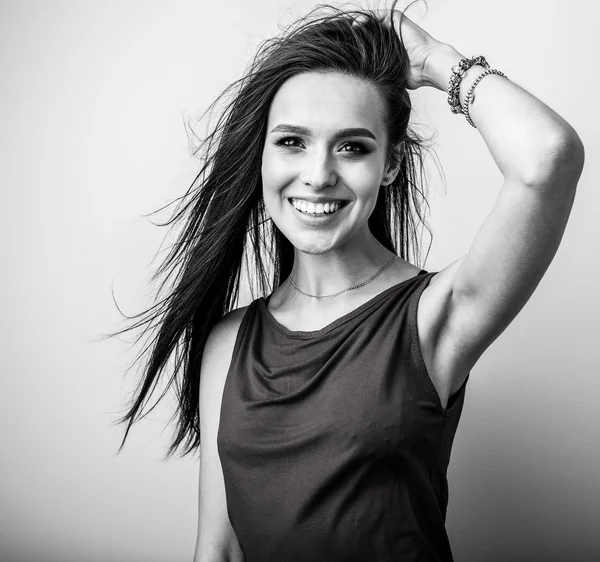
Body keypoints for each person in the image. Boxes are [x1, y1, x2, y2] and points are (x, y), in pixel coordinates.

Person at [108, 1, 584, 560]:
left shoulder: (432, 316)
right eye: (292, 141)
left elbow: (548, 158)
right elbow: (217, 550)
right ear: (261, 156)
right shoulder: (228, 342)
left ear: (390, 164)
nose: (317, 174)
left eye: (352, 147)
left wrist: (437, 61)